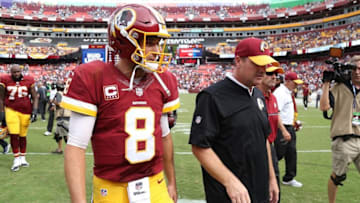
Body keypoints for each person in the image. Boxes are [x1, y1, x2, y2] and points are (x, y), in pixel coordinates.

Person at [61, 4, 179, 203]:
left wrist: (171, 182)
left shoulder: (163, 79)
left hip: (155, 184)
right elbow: (76, 147)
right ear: (124, 40)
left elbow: (165, 136)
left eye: (158, 43)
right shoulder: (94, 76)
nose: (157, 50)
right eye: (149, 42)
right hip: (111, 188)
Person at [189, 37, 279, 203]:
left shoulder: (258, 95)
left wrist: (271, 178)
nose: (262, 70)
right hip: (229, 195)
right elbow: (200, 147)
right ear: (238, 61)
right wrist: (230, 181)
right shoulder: (212, 97)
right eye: (256, 63)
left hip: (259, 190)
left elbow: (264, 138)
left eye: (264, 64)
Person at [320, 55, 360, 203]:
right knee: (338, 177)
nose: (357, 72)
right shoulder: (339, 87)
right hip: (344, 140)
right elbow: (324, 107)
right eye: (354, 69)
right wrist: (326, 83)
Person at [257, 66, 291, 202]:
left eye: (276, 74)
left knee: (274, 182)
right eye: (270, 73)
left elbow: (276, 116)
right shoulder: (252, 98)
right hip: (256, 147)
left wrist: (283, 130)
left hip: (270, 145)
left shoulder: (272, 97)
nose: (274, 77)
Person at [0, 64, 38, 172]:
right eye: (14, 72)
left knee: (23, 135)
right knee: (14, 134)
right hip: (11, 109)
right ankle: (16, 159)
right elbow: (1, 98)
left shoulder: (29, 80)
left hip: (26, 111)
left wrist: (35, 111)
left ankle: (23, 158)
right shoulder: (4, 80)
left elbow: (35, 96)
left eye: (18, 72)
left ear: (21, 71)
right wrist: (2, 111)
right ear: (10, 72)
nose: (16, 74)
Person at [273, 71, 303, 187]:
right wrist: (284, 130)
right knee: (278, 153)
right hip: (282, 127)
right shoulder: (280, 93)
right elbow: (276, 112)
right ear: (288, 81)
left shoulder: (288, 93)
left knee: (291, 153)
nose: (297, 85)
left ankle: (289, 178)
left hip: (288, 126)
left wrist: (294, 123)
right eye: (295, 82)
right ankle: (267, 173)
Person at [51, 82, 70, 154]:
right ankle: (59, 149)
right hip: (67, 114)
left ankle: (70, 150)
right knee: (58, 134)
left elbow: (60, 104)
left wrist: (54, 102)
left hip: (62, 115)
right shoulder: (67, 94)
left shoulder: (59, 93)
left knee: (64, 134)